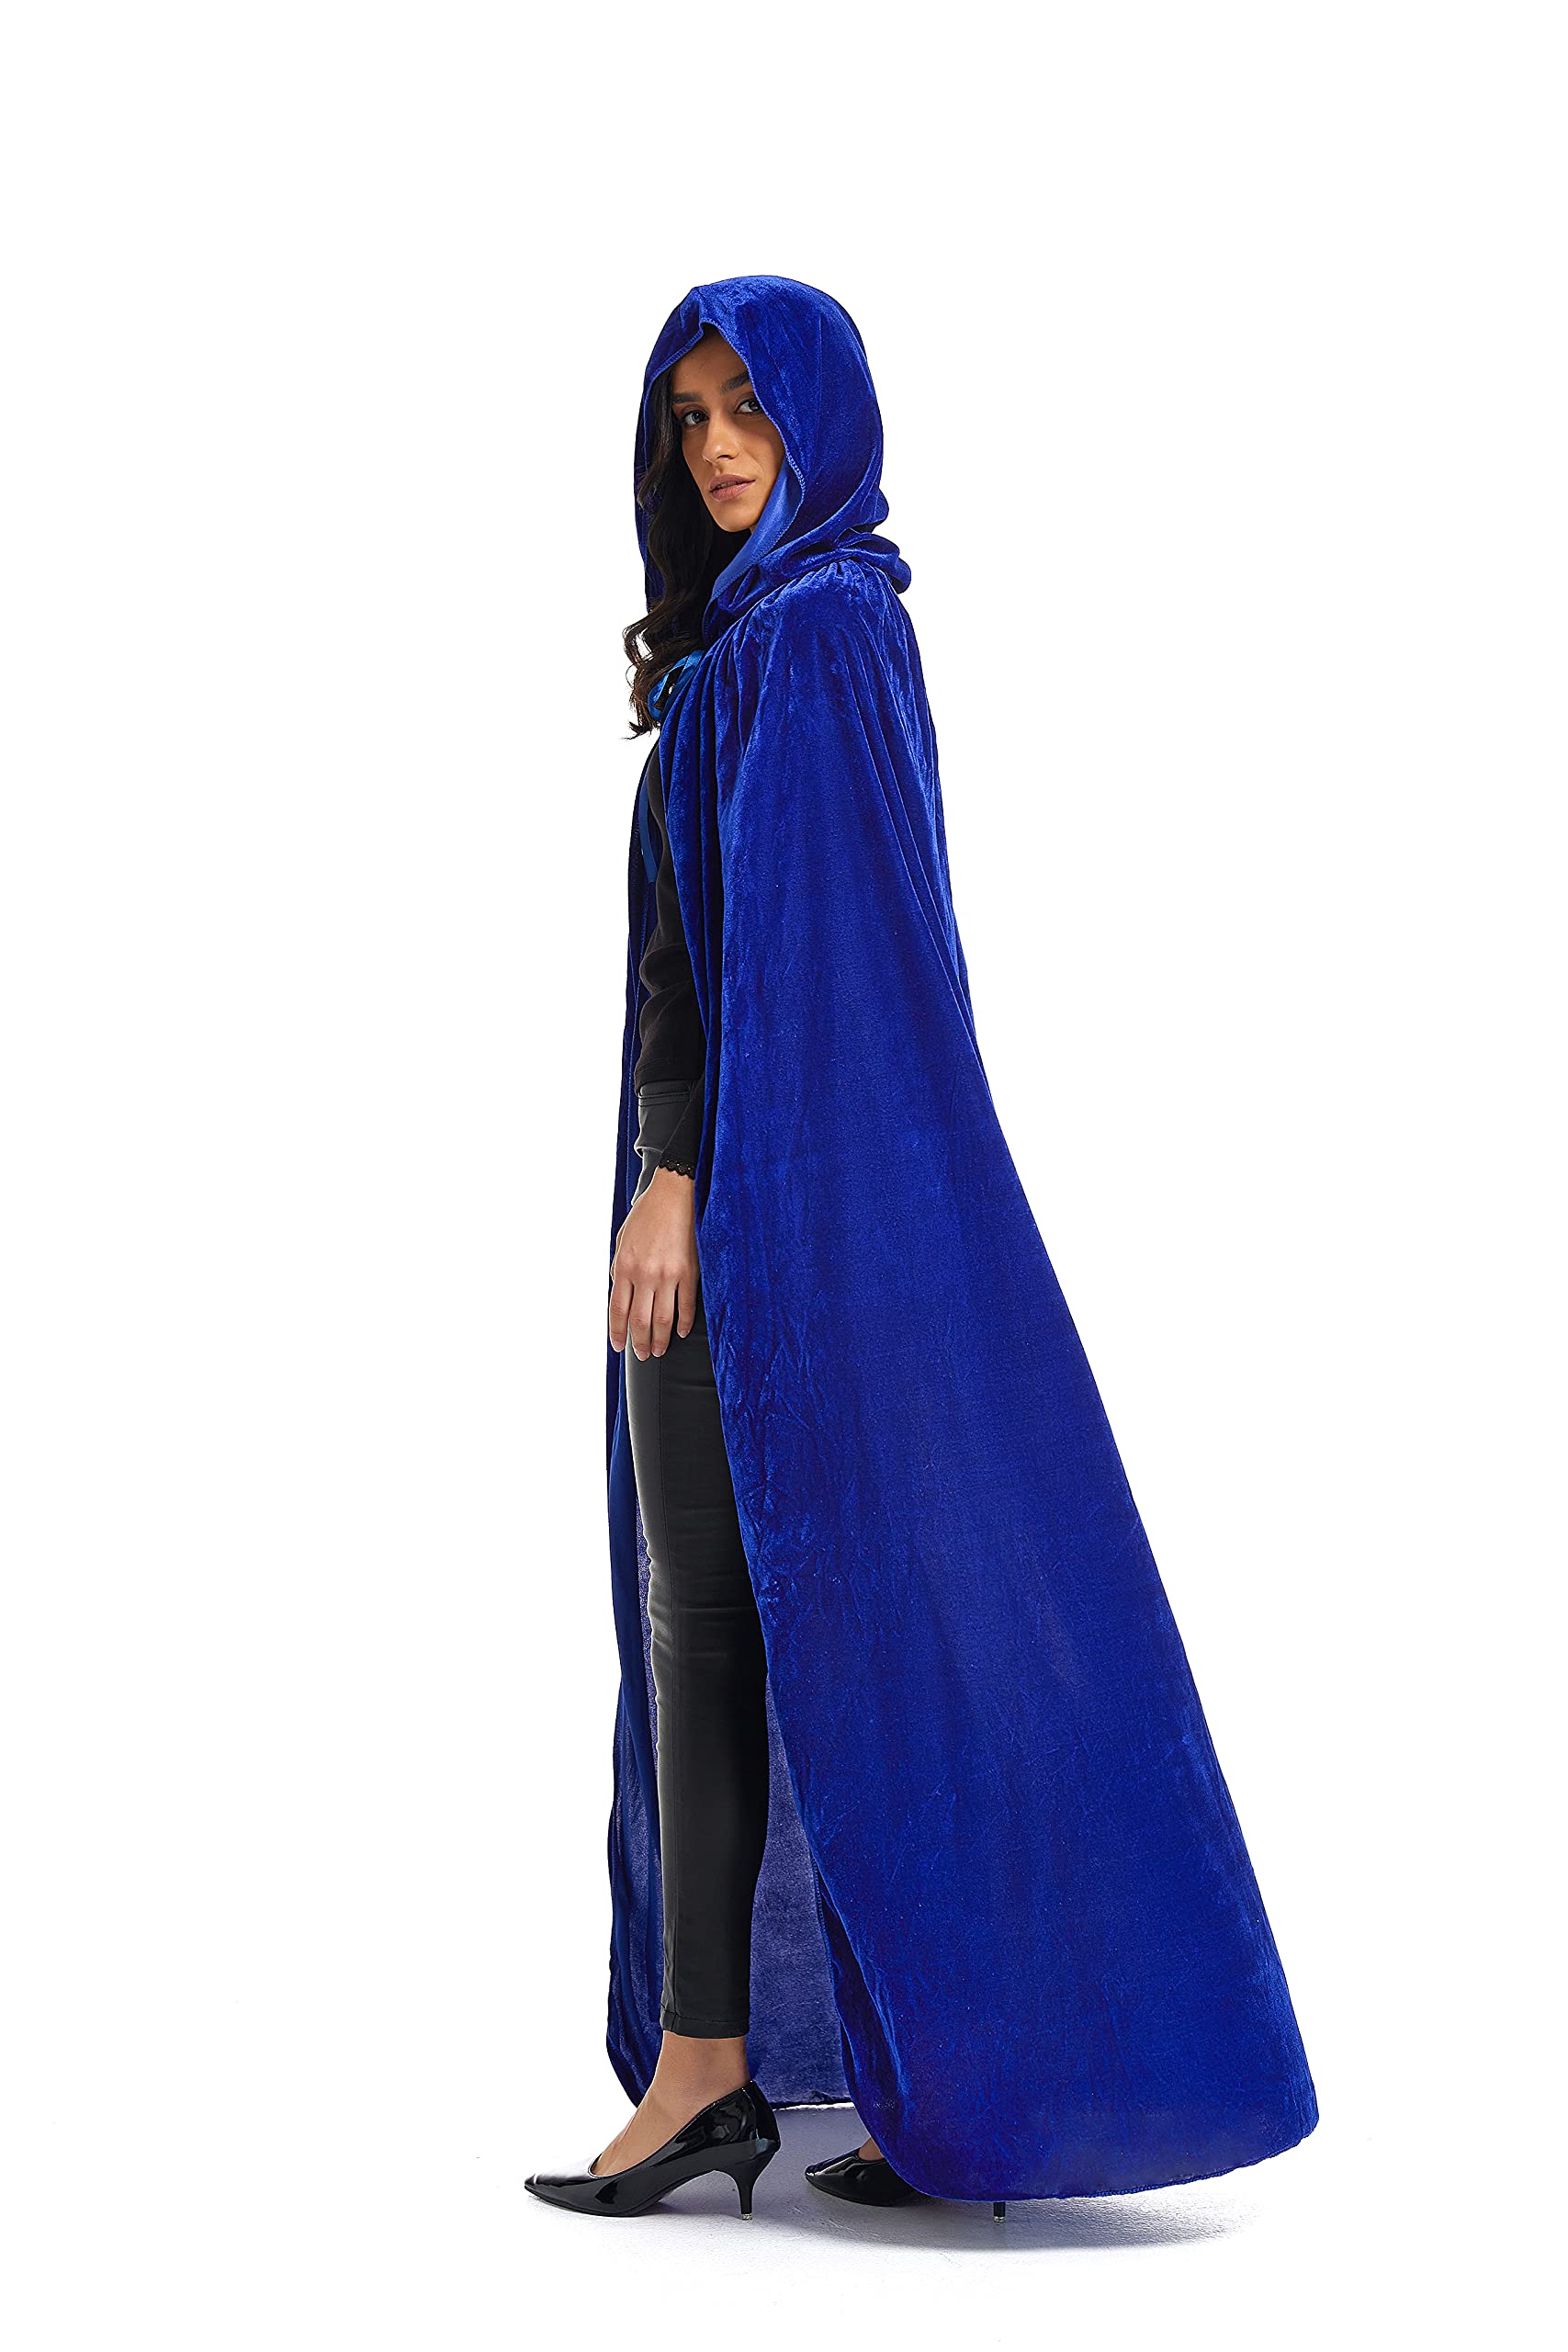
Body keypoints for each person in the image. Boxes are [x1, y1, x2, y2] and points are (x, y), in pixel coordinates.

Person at [525, 277, 1318, 2222]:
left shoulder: (819, 636)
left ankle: (831, 2075)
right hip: (767, 1212)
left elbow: (807, 971)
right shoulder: (749, 650)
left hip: (779, 1225)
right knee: (735, 1619)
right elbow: (705, 957)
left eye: (750, 408)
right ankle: (766, 2067)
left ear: (824, 419)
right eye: (689, 416)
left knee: (818, 1625)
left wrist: (676, 1178)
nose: (718, 447)